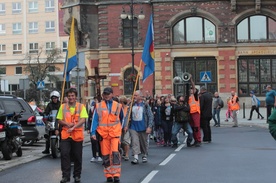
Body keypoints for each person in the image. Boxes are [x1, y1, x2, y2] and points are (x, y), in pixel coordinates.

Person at [90, 87, 124, 183]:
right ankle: (109, 175)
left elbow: (122, 118)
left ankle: (116, 174)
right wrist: (93, 132)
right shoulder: (99, 106)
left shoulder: (118, 105)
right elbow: (95, 120)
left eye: (108, 94)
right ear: (103, 95)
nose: (106, 95)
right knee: (105, 155)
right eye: (105, 94)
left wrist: (119, 130)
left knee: (115, 153)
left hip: (114, 134)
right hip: (104, 134)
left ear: (112, 94)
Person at [56, 88, 88, 183]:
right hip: (66, 135)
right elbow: (59, 119)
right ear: (67, 97)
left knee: (77, 156)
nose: (71, 98)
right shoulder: (63, 107)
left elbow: (83, 119)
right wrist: (66, 124)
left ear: (76, 97)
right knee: (64, 154)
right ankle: (65, 176)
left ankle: (77, 175)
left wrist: (74, 127)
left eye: (72, 96)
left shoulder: (81, 107)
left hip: (77, 135)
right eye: (69, 96)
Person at [129, 90, 153, 164]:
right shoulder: (132, 105)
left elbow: (150, 116)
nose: (134, 97)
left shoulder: (145, 105)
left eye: (136, 95)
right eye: (134, 95)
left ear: (140, 96)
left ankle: (144, 155)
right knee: (134, 141)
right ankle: (136, 157)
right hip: (133, 126)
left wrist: (149, 126)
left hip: (143, 126)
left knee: (143, 142)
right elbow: (128, 115)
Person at [87, 97, 102, 162]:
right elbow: (90, 119)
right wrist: (88, 128)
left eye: (96, 100)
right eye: (94, 100)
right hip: (93, 128)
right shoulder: (92, 108)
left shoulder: (101, 108)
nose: (95, 102)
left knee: (99, 142)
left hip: (100, 128)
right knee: (93, 141)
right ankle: (94, 156)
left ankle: (100, 155)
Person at [189, 76, 201, 147]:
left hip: (196, 112)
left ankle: (198, 140)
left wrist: (191, 80)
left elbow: (193, 87)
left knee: (196, 127)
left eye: (192, 90)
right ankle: (195, 140)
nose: (191, 90)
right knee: (193, 127)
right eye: (190, 90)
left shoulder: (195, 96)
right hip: (190, 113)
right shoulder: (189, 97)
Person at [119, 96, 131, 161]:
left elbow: (127, 118)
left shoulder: (128, 109)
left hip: (126, 127)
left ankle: (126, 154)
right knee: (121, 141)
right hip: (119, 127)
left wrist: (126, 126)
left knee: (126, 141)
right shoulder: (119, 109)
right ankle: (123, 152)